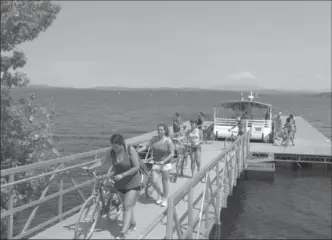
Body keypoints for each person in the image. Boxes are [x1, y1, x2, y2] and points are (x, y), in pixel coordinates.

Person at [84, 134, 141, 239]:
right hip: (120, 183)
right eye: (112, 146)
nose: (113, 148)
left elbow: (137, 167)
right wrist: (90, 167)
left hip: (133, 182)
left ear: (121, 144)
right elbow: (102, 161)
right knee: (126, 205)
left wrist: (123, 175)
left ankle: (123, 234)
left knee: (127, 206)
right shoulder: (111, 152)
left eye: (115, 146)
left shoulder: (129, 150)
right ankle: (132, 224)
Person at [138, 123, 174, 207]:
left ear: (164, 131)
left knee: (164, 182)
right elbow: (146, 146)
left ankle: (165, 198)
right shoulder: (154, 139)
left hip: (165, 164)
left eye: (161, 130)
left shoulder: (168, 140)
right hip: (156, 163)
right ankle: (160, 194)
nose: (159, 131)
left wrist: (164, 161)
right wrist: (138, 151)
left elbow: (172, 154)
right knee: (154, 181)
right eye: (158, 130)